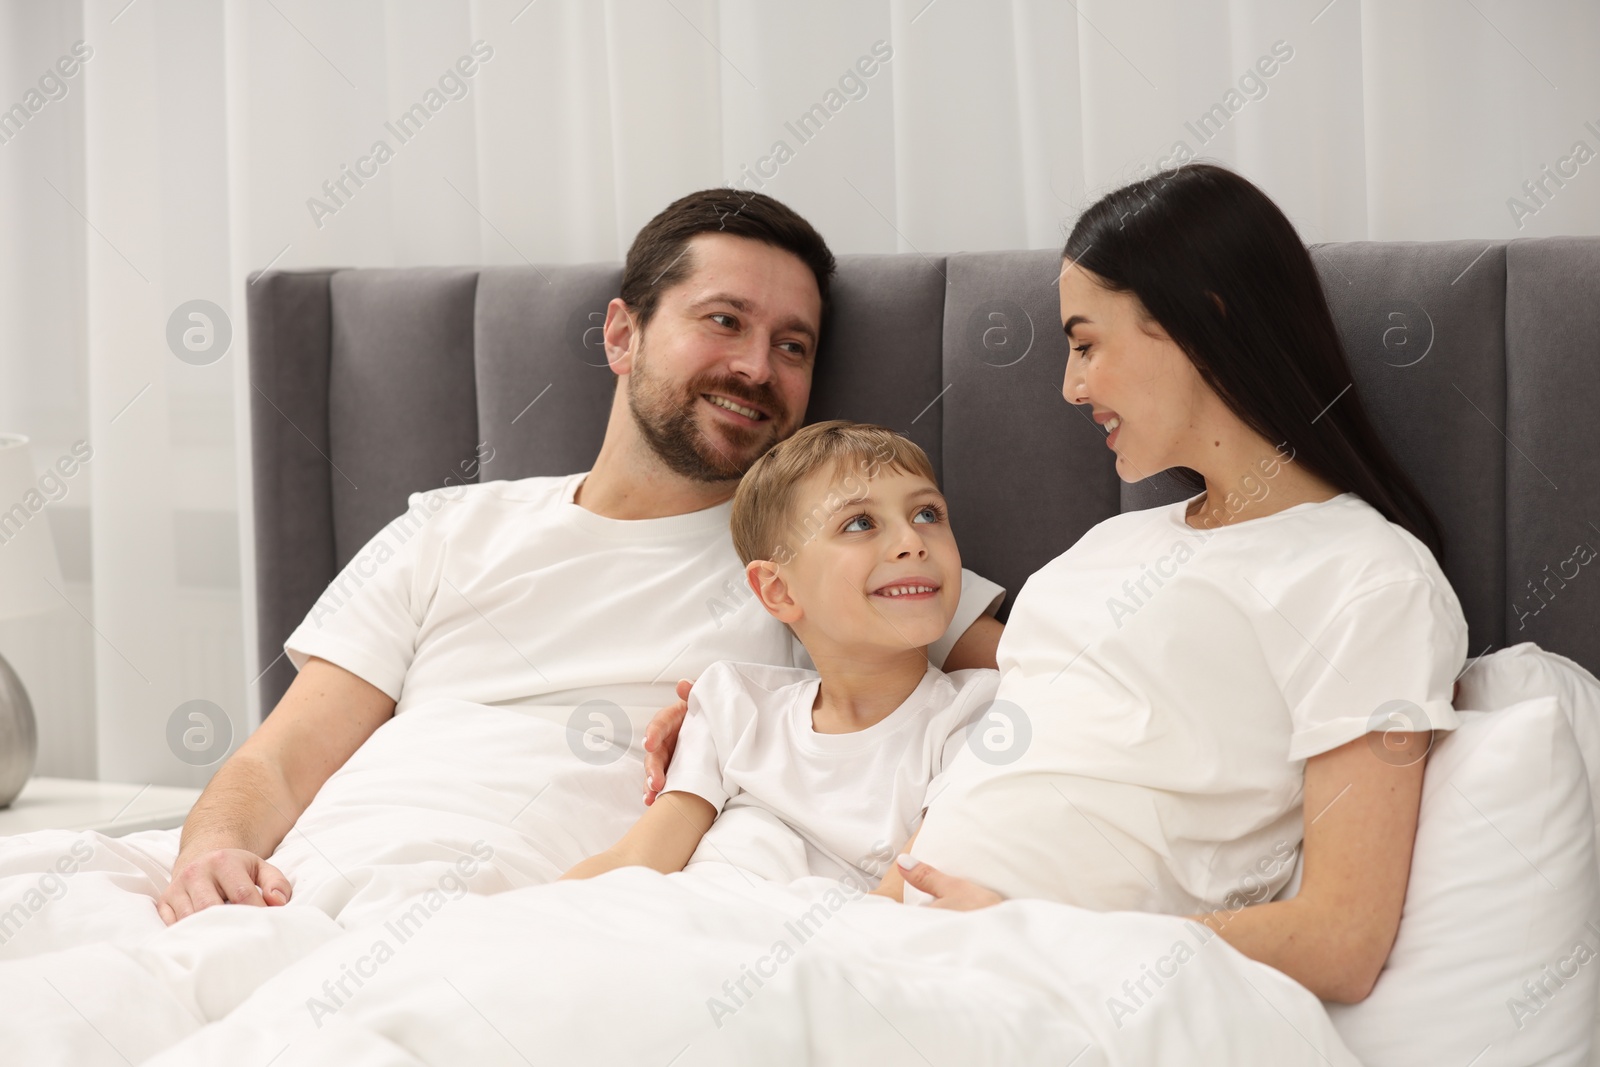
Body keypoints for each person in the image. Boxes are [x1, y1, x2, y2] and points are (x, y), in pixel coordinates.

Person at [664, 163, 1467, 1007]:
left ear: (1201, 321)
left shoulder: (1366, 578)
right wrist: (724, 716)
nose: (1070, 384)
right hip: (897, 941)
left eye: (1086, 343)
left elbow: (1341, 937)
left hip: (1051, 987)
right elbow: (911, 640)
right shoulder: (1110, 548)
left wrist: (1035, 938)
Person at [155, 189, 1004, 925]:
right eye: (724, 321)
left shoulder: (837, 558)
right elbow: (281, 755)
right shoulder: (446, 527)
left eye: (793, 345)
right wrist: (213, 855)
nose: (755, 366)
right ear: (622, 335)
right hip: (306, 889)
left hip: (549, 913)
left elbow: (1054, 686)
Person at [562, 421, 998, 893]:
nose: (913, 541)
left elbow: (905, 893)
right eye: (860, 523)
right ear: (778, 589)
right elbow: (639, 859)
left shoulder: (975, 712)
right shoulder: (735, 702)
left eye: (928, 514)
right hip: (692, 919)